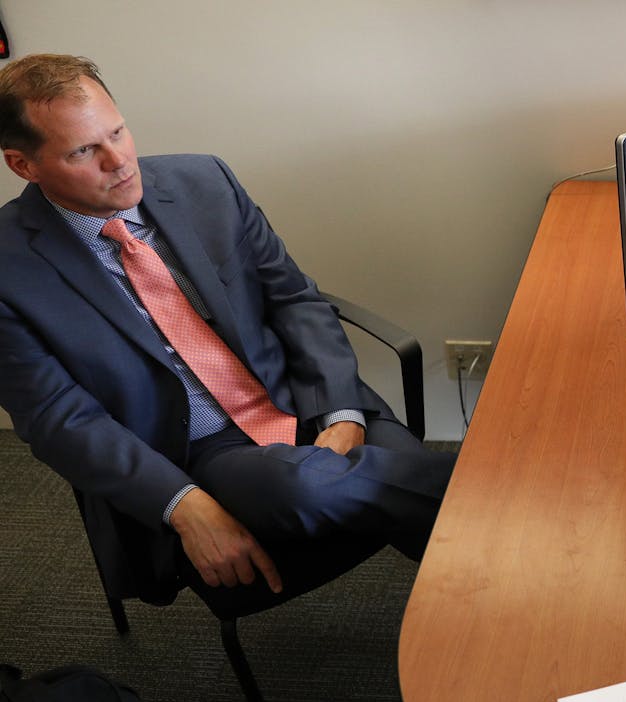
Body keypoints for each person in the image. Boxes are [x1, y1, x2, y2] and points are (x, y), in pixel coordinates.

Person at [0, 54, 456, 604]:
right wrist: (183, 503)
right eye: (83, 151)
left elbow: (293, 298)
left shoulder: (204, 181)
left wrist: (339, 412)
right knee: (309, 485)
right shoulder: (10, 267)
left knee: (373, 483)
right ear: (23, 165)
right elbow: (60, 419)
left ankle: (497, 605)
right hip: (200, 453)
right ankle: (501, 492)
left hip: (296, 395)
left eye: (118, 132)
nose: (119, 160)